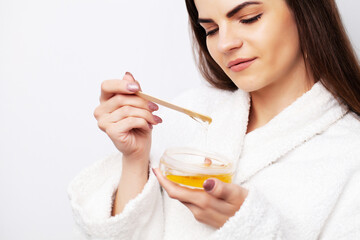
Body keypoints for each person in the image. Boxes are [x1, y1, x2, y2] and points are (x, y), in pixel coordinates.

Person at [68, 0, 360, 239]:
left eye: (249, 18)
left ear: (306, 12)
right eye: (210, 29)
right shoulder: (186, 115)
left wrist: (249, 228)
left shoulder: (350, 154)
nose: (225, 44)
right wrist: (135, 159)